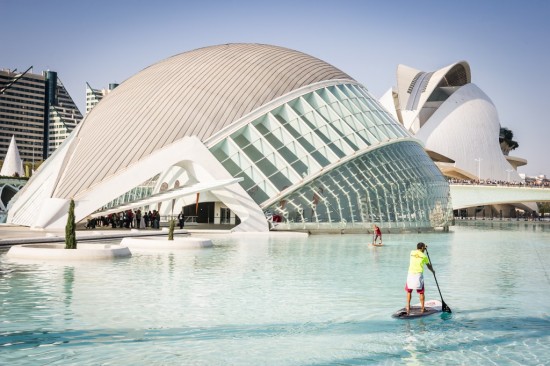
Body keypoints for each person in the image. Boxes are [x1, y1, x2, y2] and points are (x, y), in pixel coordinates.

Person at [405, 242, 434, 315]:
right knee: (421, 292)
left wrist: (424, 247)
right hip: (418, 275)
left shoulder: (412, 252)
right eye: (423, 248)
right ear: (422, 248)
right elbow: (428, 266)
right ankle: (422, 308)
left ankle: (408, 306)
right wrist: (433, 271)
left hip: (410, 274)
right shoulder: (424, 257)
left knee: (409, 291)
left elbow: (418, 251)